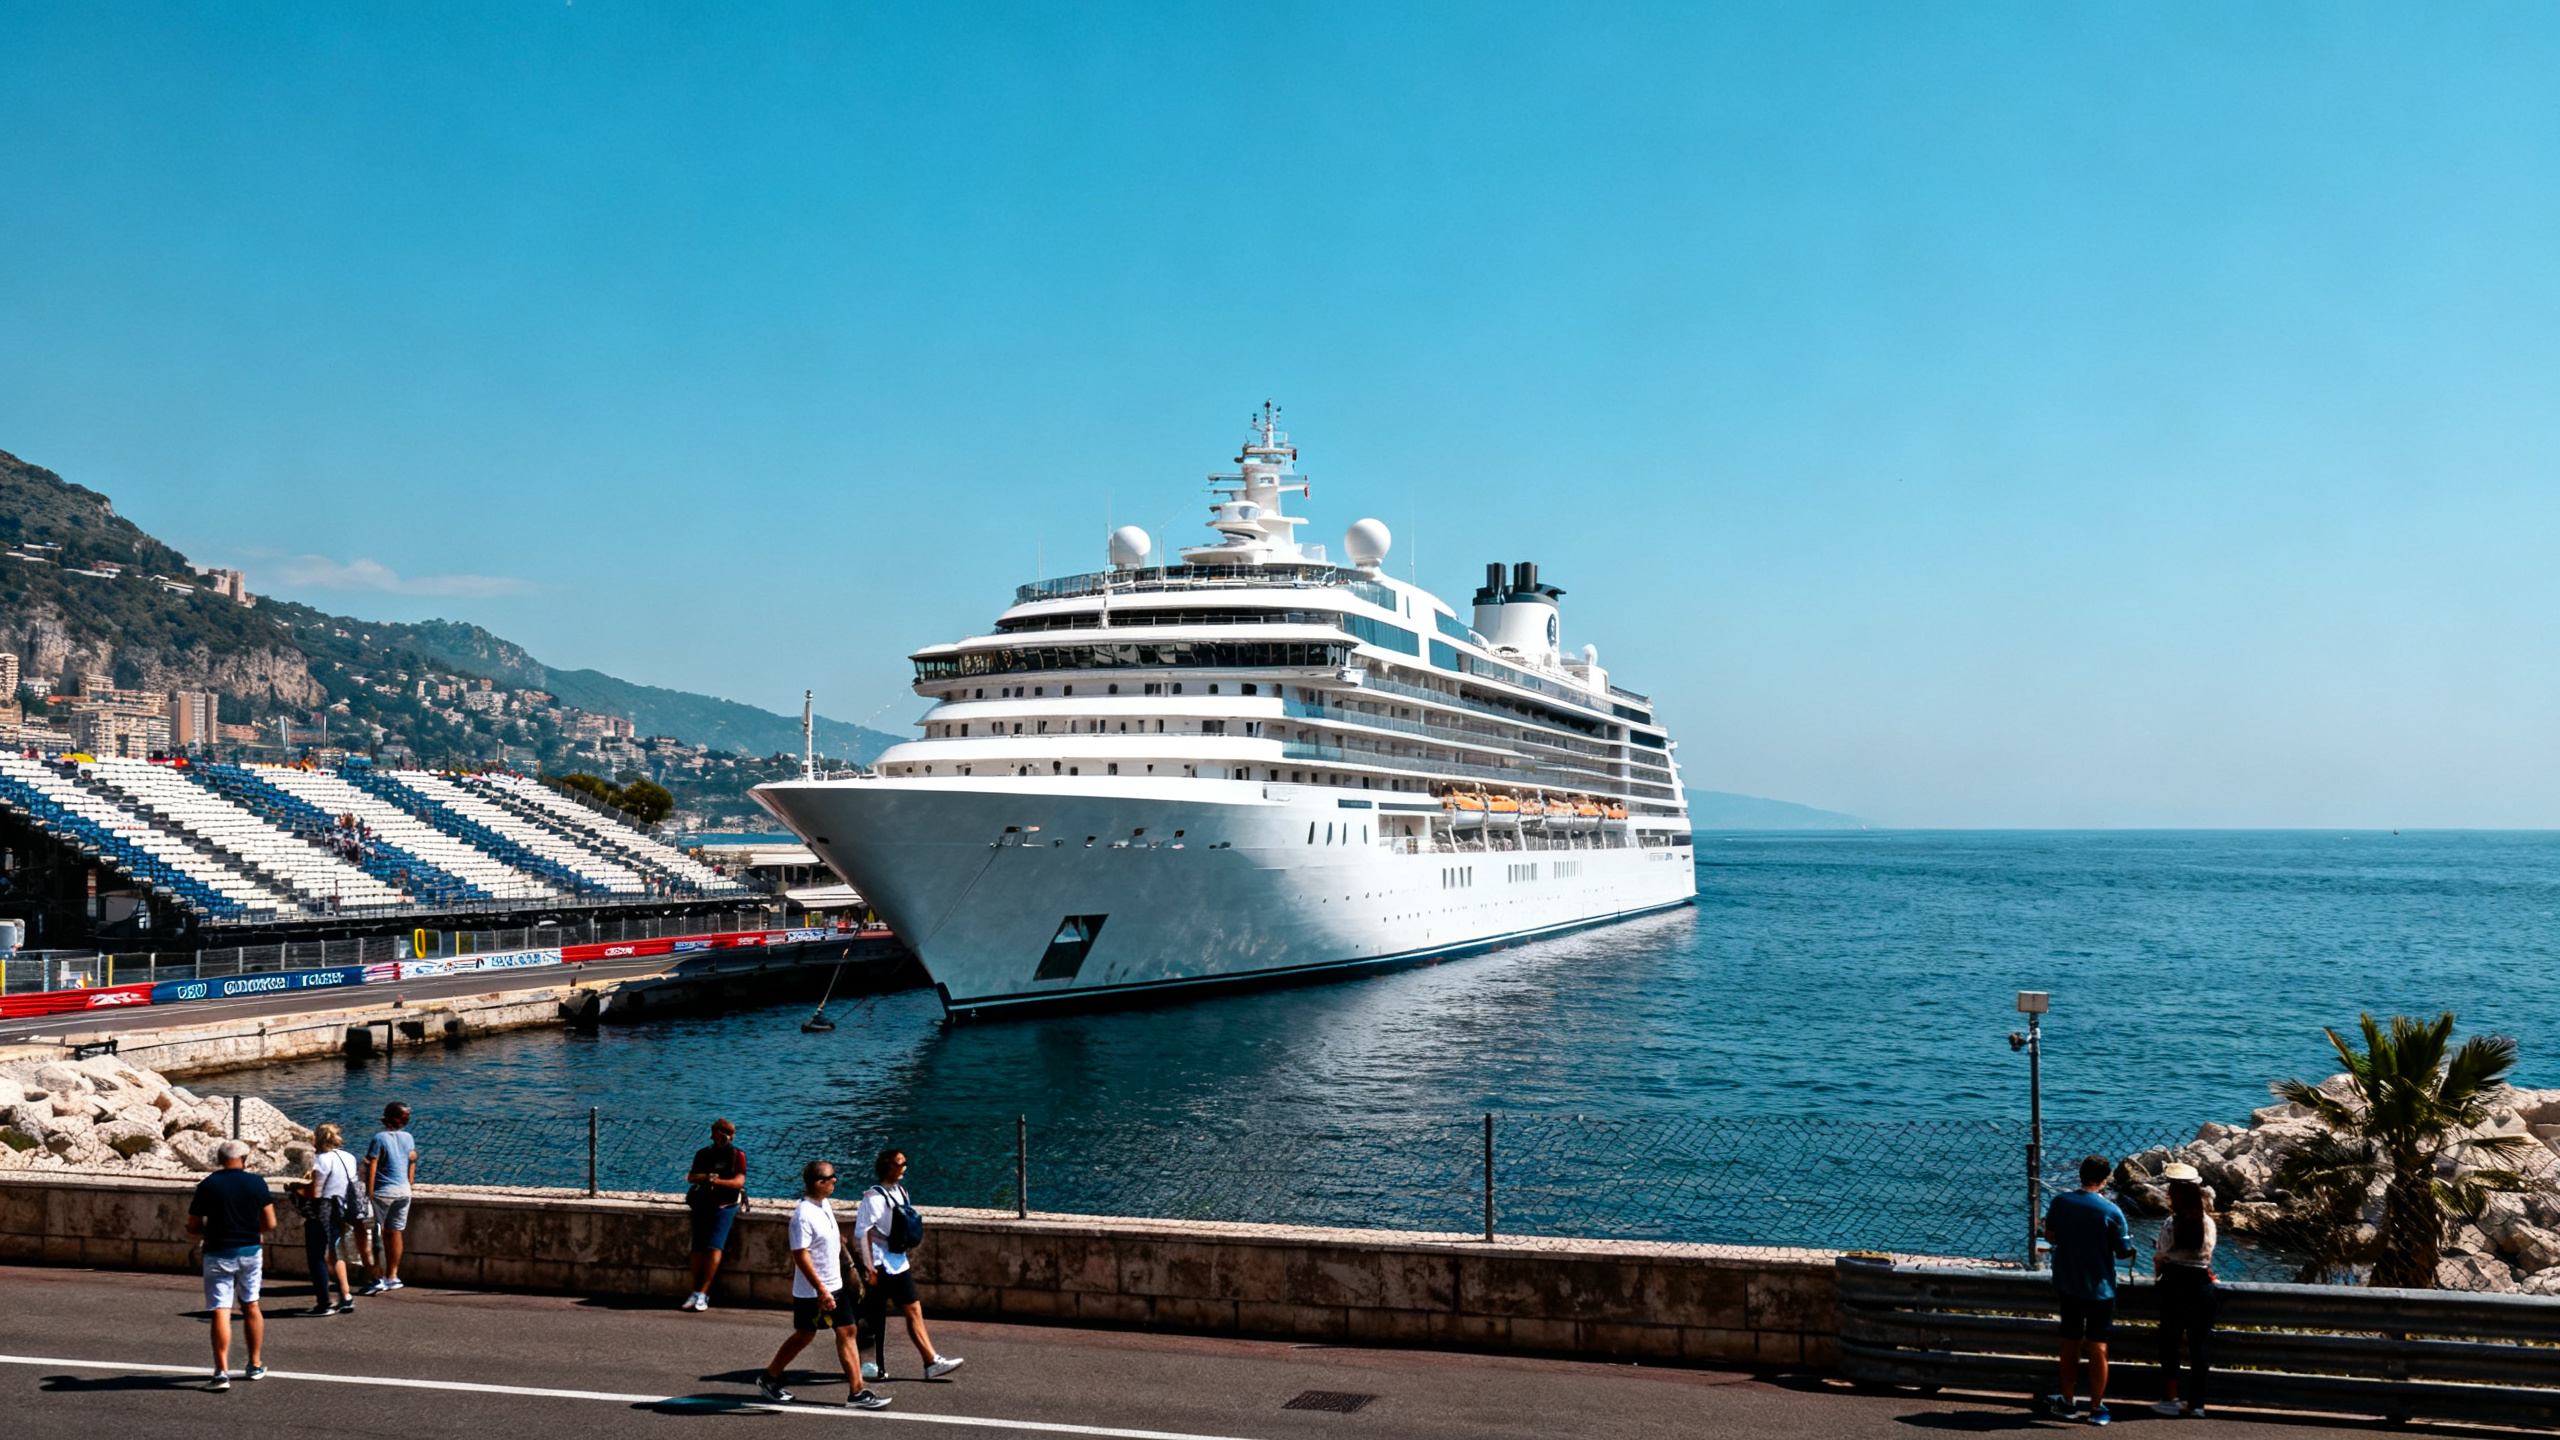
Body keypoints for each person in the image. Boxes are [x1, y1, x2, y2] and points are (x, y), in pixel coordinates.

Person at [758, 1161, 889, 1410]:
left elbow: (834, 1239)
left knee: (847, 1330)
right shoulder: (803, 1216)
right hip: (814, 1291)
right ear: (819, 1183)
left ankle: (857, 1392)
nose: (835, 1181)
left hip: (834, 1286)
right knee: (804, 1335)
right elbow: (800, 1256)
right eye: (831, 1177)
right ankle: (769, 1378)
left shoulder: (824, 1205)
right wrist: (821, 1290)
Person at [2042, 1155, 2134, 1425]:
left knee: (2070, 1344)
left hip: (2069, 1283)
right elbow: (2122, 1251)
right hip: (2100, 1288)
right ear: (2106, 1179)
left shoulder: (2061, 1202)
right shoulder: (2112, 1212)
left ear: (2080, 1174)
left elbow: (2050, 1235)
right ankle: (2097, 1408)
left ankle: (2068, 1402)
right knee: (2098, 1347)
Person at [857, 1148, 962, 1382]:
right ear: (887, 1166)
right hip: (882, 1264)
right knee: (873, 1318)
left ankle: (929, 1361)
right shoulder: (873, 1198)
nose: (904, 1167)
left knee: (911, 1309)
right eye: (899, 1163)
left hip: (898, 1261)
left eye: (905, 1162)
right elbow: (862, 1232)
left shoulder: (901, 1192)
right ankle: (871, 1364)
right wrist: (870, 1268)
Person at [186, 1138, 276, 1391]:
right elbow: (270, 1223)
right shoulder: (257, 1183)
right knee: (251, 1305)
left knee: (220, 1310)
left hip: (217, 1252)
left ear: (219, 1159)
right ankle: (255, 1363)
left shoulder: (208, 1185)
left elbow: (193, 1224)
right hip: (249, 1250)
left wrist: (201, 1233)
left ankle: (221, 1372)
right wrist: (256, 1233)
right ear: (245, 1160)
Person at [2151, 1162, 2219, 1419]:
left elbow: (2163, 1255)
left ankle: (2172, 1399)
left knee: (2169, 1343)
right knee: (2199, 1346)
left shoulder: (2171, 1223)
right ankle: (2197, 1404)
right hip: (2202, 1286)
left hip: (2175, 1285)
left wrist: (2158, 1270)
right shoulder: (2208, 1223)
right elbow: (2208, 1255)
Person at [291, 1122, 363, 1315]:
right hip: (342, 1209)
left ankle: (324, 1303)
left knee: (317, 1257)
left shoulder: (320, 1161)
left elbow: (316, 1190)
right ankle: (346, 1296)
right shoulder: (348, 1157)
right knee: (335, 1251)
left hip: (323, 1209)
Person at [682, 1118, 748, 1311]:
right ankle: (695, 1290)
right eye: (718, 1134)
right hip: (702, 1205)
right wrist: (709, 1178)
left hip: (724, 1206)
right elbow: (692, 1177)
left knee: (714, 1246)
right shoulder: (703, 1154)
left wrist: (714, 1181)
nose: (720, 1138)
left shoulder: (737, 1155)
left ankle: (704, 1292)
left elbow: (738, 1182)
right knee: (698, 1247)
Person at [361, 1101, 418, 1294]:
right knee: (395, 1232)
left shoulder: (379, 1138)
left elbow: (373, 1166)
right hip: (404, 1191)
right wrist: (409, 1184)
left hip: (383, 1192)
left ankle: (377, 1277)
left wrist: (369, 1193)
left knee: (377, 1233)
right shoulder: (408, 1138)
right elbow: (412, 1161)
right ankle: (393, 1276)